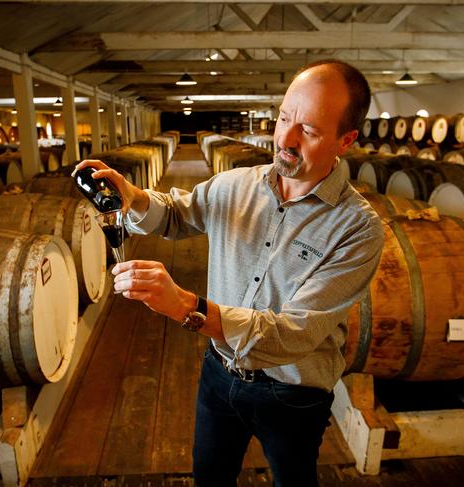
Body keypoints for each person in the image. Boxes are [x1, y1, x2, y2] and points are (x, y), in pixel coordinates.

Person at [75, 59, 384, 487]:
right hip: (220, 373)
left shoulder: (357, 229)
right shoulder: (235, 184)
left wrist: (186, 306)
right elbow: (176, 214)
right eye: (284, 119)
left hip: (293, 392)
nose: (286, 139)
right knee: (210, 476)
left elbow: (294, 334)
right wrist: (135, 197)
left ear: (345, 140)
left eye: (309, 131)